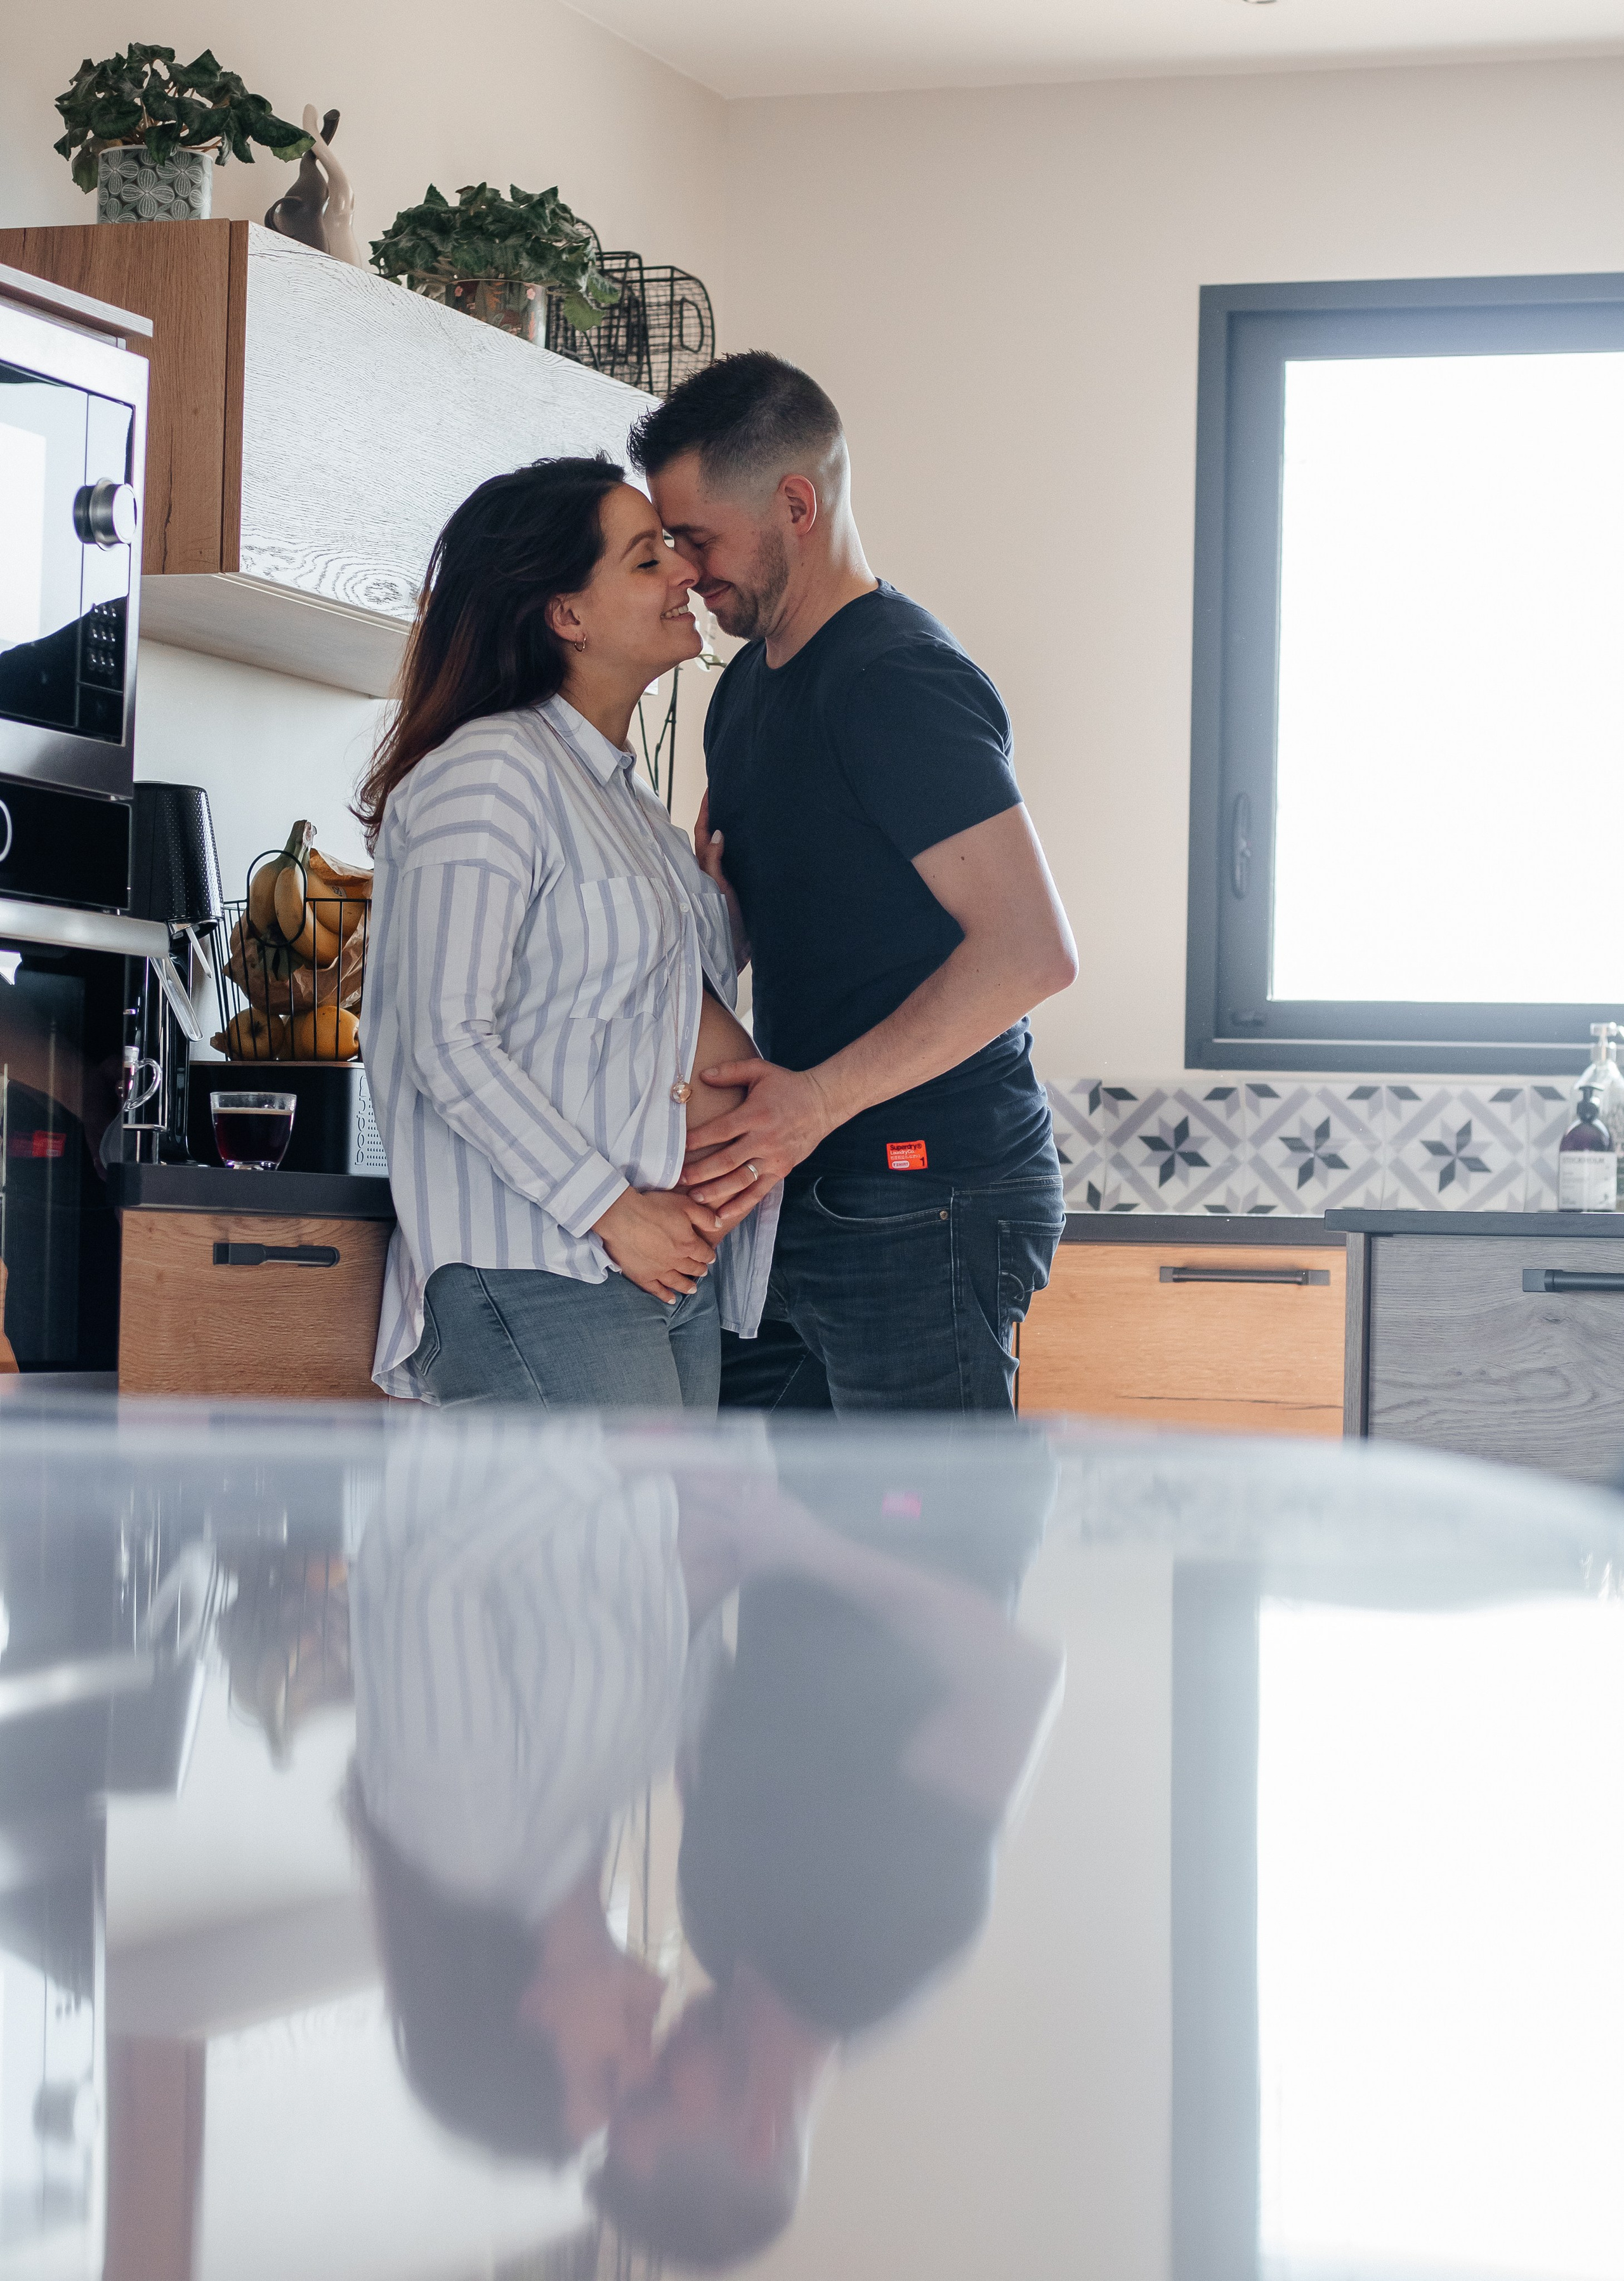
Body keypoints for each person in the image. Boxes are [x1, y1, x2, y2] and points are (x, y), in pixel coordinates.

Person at [629, 355, 1078, 1415]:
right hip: (809, 1185)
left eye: (697, 538)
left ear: (797, 505)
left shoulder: (894, 677)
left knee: (926, 1524)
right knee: (791, 1522)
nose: (685, 570)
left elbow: (1031, 951)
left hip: (928, 1190)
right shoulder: (743, 692)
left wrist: (817, 1102)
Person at [355, 456, 778, 1409]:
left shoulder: (624, 799)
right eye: (646, 559)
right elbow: (446, 1041)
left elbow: (647, 1007)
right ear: (566, 614)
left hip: (654, 1255)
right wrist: (616, 1212)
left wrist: (720, 908)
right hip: (544, 1259)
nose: (684, 571)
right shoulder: (491, 771)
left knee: (655, 1519)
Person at [594, 1472, 1063, 2265]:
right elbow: (1019, 1681)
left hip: (784, 1479)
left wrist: (696, 1551)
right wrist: (808, 1547)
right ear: (755, 2134)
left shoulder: (712, 1929)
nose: (644, 2063)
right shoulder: (894, 1945)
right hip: (938, 1486)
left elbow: (702, 1685)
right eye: (656, 2095)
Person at [345, 1415, 770, 2160]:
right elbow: (637, 1617)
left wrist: (618, 1456)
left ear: (532, 2016)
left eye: (608, 2075)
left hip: (525, 1407)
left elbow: (430, 1586)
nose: (648, 2060)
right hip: (653, 1422)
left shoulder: (465, 1843)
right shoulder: (584, 1835)